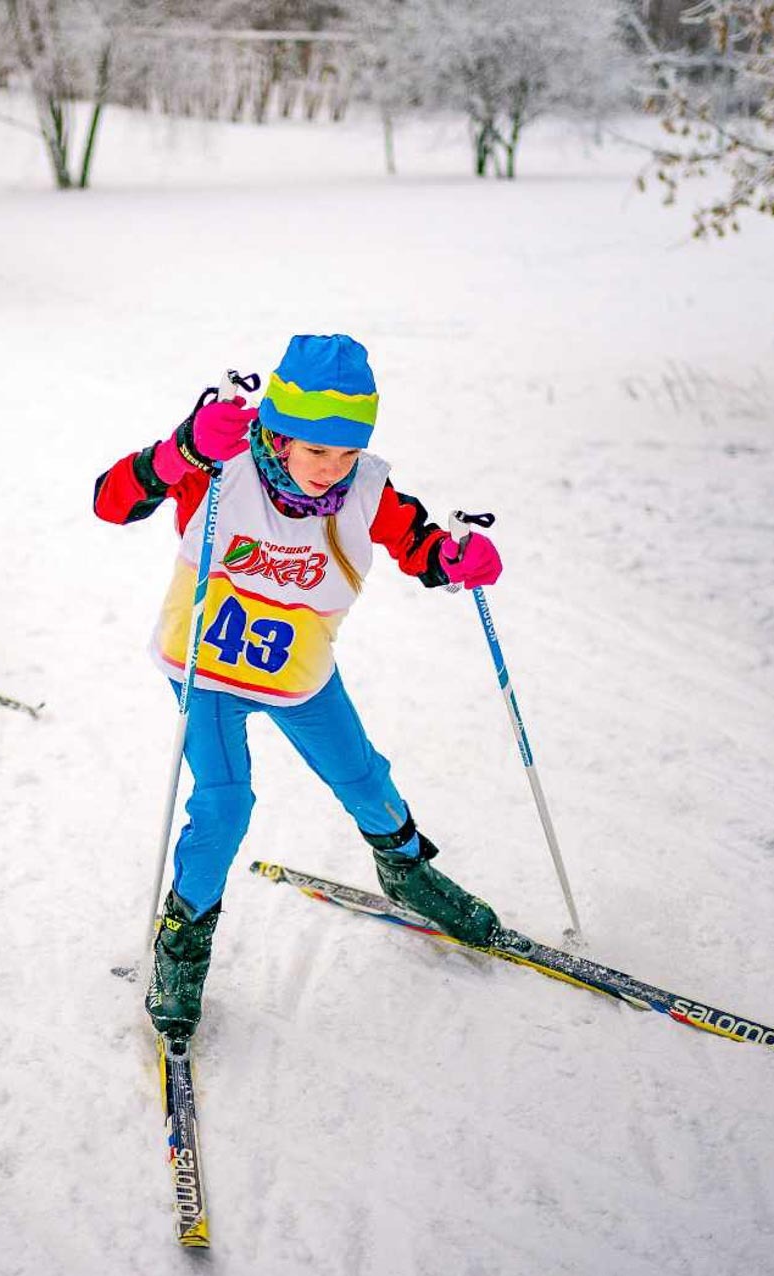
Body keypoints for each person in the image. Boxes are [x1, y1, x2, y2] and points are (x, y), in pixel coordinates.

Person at [92, 334, 507, 1043]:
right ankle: (183, 944)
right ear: (280, 436)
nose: (331, 470)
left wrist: (457, 560)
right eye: (317, 451)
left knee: (364, 777)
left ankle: (406, 873)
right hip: (210, 671)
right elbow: (111, 501)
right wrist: (183, 449)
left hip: (297, 672)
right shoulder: (218, 466)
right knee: (223, 805)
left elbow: (421, 548)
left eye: (346, 453)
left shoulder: (365, 489)